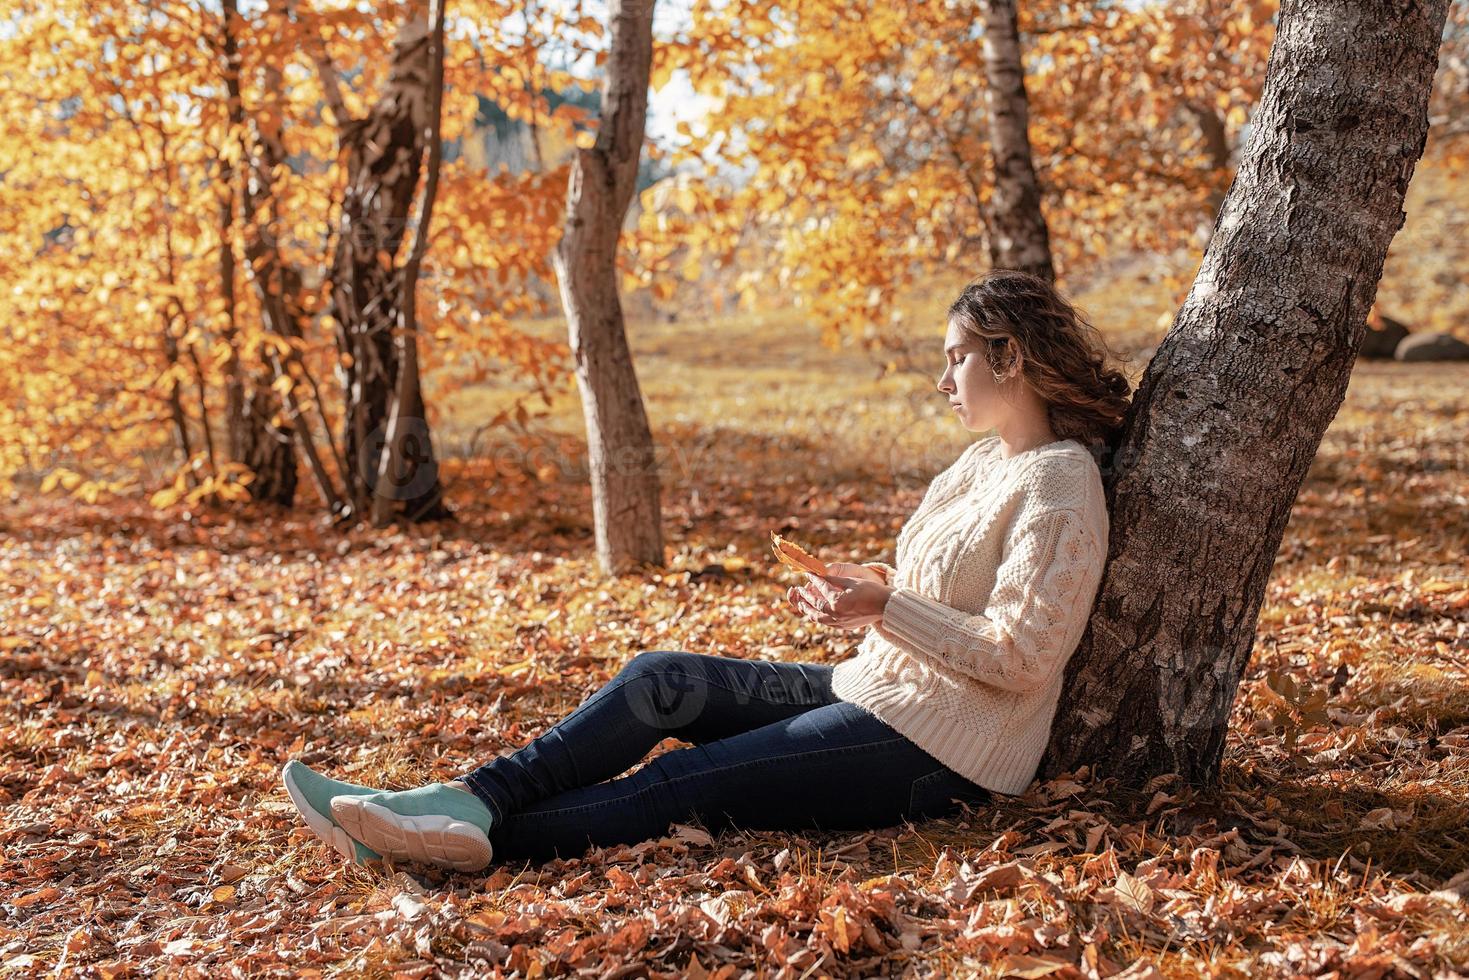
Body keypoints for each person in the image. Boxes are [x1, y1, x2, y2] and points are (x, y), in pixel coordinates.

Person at [282, 269, 1132, 872]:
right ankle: (465, 800)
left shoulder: (1062, 481)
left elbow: (1022, 656)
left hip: (945, 752)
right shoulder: (983, 462)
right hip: (876, 692)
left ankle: (449, 836)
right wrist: (867, 588)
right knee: (663, 681)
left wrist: (886, 610)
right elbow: (947, 584)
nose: (942, 376)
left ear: (1009, 358)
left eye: (956, 357)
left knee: (678, 783)